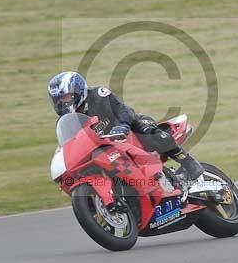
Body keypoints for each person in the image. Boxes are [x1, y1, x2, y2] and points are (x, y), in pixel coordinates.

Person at [47, 71, 204, 182]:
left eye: (65, 97)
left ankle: (189, 163)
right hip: (105, 149)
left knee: (149, 132)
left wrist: (122, 125)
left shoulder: (98, 94)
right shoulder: (65, 121)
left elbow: (122, 109)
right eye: (58, 100)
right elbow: (69, 144)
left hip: (128, 129)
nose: (62, 102)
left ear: (78, 91)